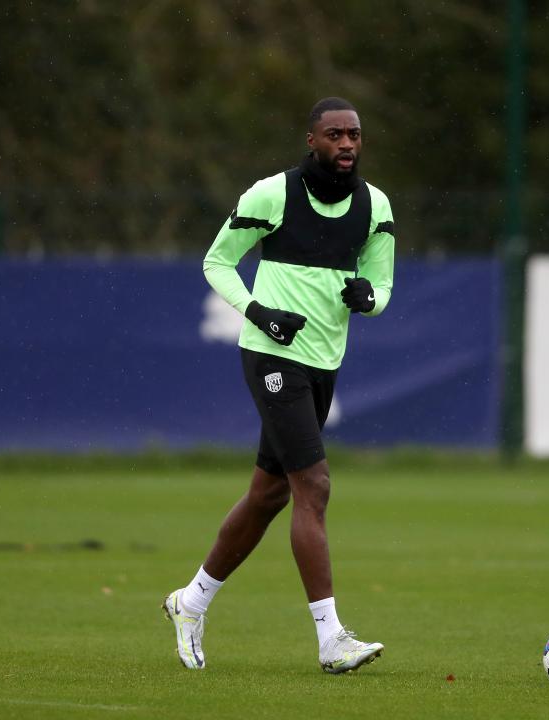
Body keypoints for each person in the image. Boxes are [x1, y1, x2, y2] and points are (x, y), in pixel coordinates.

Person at [163, 97, 395, 674]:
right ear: (310, 140)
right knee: (312, 486)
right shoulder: (271, 194)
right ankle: (330, 638)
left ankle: (189, 603)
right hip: (271, 354)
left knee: (269, 495)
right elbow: (217, 263)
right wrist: (258, 312)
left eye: (355, 135)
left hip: (323, 362)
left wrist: (369, 298)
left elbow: (382, 283)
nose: (346, 144)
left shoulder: (375, 207)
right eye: (334, 134)